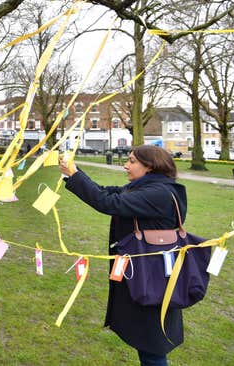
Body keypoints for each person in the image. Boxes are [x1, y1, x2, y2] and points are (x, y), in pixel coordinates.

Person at [59, 145, 187, 366]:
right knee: (147, 341)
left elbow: (108, 203)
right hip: (147, 272)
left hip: (152, 277)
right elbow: (104, 191)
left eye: (132, 161)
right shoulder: (148, 188)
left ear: (150, 166)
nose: (126, 166)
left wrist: (76, 175)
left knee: (152, 345)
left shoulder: (158, 194)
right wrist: (74, 172)